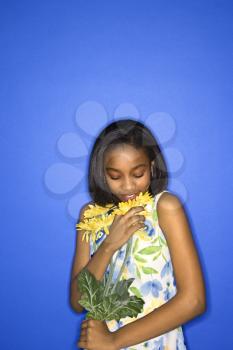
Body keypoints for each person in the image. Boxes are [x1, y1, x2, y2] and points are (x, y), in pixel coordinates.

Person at [70, 119, 206, 350]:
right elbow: (77, 301)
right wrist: (108, 246)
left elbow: (193, 301)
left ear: (152, 166)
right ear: (101, 173)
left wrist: (114, 340)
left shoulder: (165, 208)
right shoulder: (90, 216)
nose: (127, 186)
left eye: (138, 173)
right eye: (115, 176)